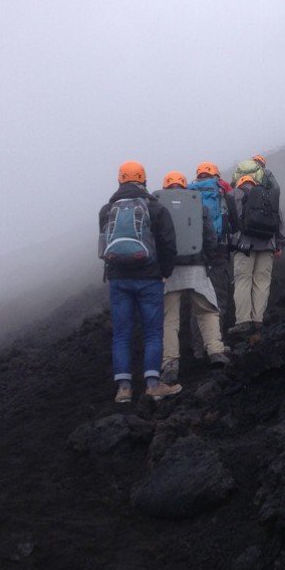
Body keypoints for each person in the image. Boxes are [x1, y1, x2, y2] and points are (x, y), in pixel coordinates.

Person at [98, 161, 182, 403]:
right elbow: (168, 244)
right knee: (153, 333)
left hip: (118, 280)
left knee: (122, 334)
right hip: (149, 279)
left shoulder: (106, 210)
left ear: (120, 180)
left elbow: (103, 245)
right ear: (144, 180)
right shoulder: (156, 208)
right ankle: (153, 385)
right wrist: (164, 272)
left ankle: (123, 389)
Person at [153, 170, 230, 380]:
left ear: (165, 186)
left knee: (170, 318)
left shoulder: (157, 207)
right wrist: (208, 259)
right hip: (196, 267)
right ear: (185, 185)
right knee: (207, 311)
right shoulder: (198, 204)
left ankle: (170, 363)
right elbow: (210, 237)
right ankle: (215, 351)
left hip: (169, 271)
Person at [226, 173, 285, 336]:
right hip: (267, 245)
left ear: (239, 182)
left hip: (243, 246)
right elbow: (279, 221)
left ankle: (243, 321)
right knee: (262, 282)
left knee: (243, 281)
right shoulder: (267, 195)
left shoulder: (232, 195)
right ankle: (258, 320)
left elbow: (228, 222)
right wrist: (279, 244)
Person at [185, 161, 234, 341]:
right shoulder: (221, 192)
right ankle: (215, 345)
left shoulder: (187, 194)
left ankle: (198, 348)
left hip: (193, 256)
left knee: (197, 303)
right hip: (218, 253)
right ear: (216, 175)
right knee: (219, 298)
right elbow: (232, 222)